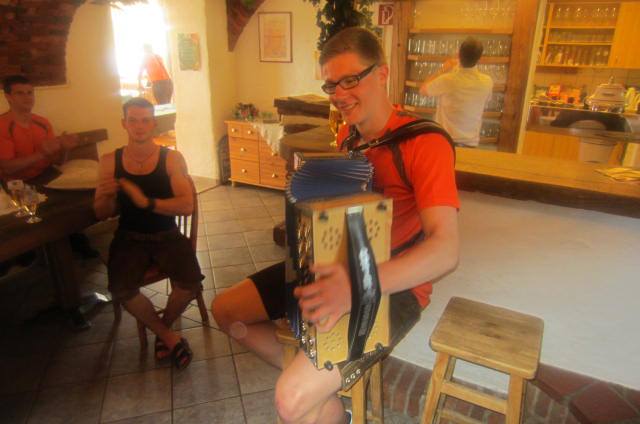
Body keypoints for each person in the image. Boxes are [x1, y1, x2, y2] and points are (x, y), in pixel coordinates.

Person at [212, 27, 460, 423]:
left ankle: (309, 391)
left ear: (382, 73)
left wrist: (358, 286)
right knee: (227, 311)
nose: (339, 94)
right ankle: (324, 396)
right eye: (331, 85)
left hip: (395, 288)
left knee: (290, 401)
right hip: (335, 269)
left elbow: (446, 251)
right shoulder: (348, 136)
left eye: (350, 80)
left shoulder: (425, 143)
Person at [94, 97, 201, 370]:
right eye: (133, 120)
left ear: (154, 123)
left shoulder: (171, 158)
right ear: (124, 123)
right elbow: (101, 213)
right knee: (121, 289)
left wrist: (147, 203)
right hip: (129, 237)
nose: (139, 126)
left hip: (167, 233)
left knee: (190, 284)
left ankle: (163, 331)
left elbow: (187, 206)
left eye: (145, 120)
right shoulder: (109, 161)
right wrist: (106, 198)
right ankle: (168, 336)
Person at [0, 75, 78, 181]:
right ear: (8, 97)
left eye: (30, 93)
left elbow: (57, 161)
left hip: (46, 175)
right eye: (20, 93)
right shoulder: (2, 125)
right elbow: (7, 169)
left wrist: (64, 149)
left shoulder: (43, 122)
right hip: (17, 183)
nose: (27, 97)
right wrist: (41, 154)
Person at [419, 36, 493, 147]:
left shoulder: (448, 79)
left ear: (458, 54)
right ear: (479, 58)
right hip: (471, 144)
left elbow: (423, 90)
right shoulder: (487, 81)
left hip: (446, 142)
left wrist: (443, 69)